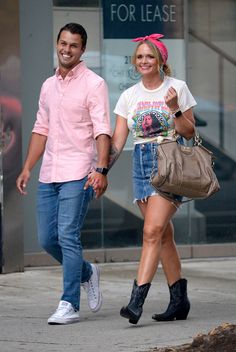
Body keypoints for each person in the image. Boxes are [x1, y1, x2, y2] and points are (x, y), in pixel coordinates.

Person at [16, 23, 111, 325]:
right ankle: (87, 272)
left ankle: (69, 303)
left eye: (73, 45)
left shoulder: (94, 84)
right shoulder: (48, 85)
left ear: (82, 50)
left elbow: (102, 131)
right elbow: (40, 129)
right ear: (57, 44)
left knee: (68, 235)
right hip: (49, 172)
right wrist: (28, 167)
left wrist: (101, 169)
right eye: (63, 43)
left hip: (79, 171)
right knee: (47, 239)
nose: (66, 50)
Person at [109, 33, 197, 325]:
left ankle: (136, 302)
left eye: (150, 56)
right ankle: (179, 301)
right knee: (163, 235)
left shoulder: (177, 88)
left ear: (161, 60)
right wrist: (100, 168)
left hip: (169, 162)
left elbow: (188, 131)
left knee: (151, 232)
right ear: (135, 62)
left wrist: (174, 108)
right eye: (140, 57)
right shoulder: (128, 96)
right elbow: (118, 141)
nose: (144, 61)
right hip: (140, 164)